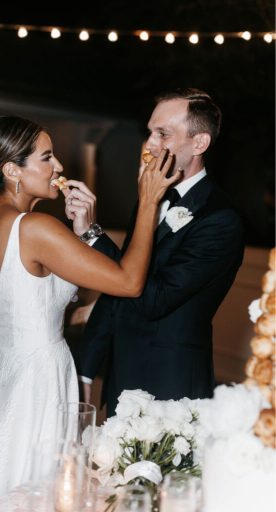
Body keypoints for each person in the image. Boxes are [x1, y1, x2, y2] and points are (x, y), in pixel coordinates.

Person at [0, 115, 180, 512]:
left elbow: (33, 310)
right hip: (37, 384)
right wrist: (149, 201)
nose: (59, 167)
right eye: (47, 158)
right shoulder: (35, 227)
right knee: (35, 487)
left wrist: (85, 236)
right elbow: (130, 282)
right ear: (13, 170)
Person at [71, 88, 245, 418]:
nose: (150, 144)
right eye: (150, 132)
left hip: (170, 390)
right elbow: (118, 289)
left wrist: (92, 235)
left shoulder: (221, 219)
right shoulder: (151, 198)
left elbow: (152, 298)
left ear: (199, 144)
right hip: (121, 375)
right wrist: (86, 366)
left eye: (162, 133)